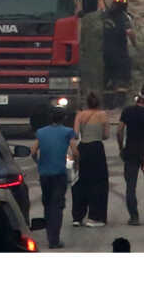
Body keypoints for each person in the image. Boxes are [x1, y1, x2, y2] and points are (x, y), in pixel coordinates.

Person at [33, 106, 75, 249]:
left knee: (47, 203)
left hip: (44, 174)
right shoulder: (68, 132)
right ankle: (54, 239)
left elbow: (33, 151)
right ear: (64, 118)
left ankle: (49, 235)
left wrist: (38, 163)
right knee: (57, 206)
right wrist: (77, 165)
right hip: (59, 173)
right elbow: (75, 151)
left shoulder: (41, 132)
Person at [119, 85, 144, 225]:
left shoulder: (128, 111)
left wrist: (121, 148)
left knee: (130, 185)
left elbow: (119, 131)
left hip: (130, 152)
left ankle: (134, 217)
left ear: (139, 96)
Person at [73, 91, 113, 226]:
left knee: (81, 181)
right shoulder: (103, 115)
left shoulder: (80, 115)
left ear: (87, 103)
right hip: (96, 148)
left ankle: (77, 216)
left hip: (83, 147)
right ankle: (95, 216)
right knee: (99, 182)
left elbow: (75, 134)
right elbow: (106, 135)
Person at [102, 0, 135, 88]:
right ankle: (121, 98)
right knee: (122, 81)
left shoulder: (105, 15)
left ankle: (108, 97)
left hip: (105, 54)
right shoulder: (125, 17)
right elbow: (129, 32)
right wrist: (134, 44)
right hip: (120, 55)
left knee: (107, 79)